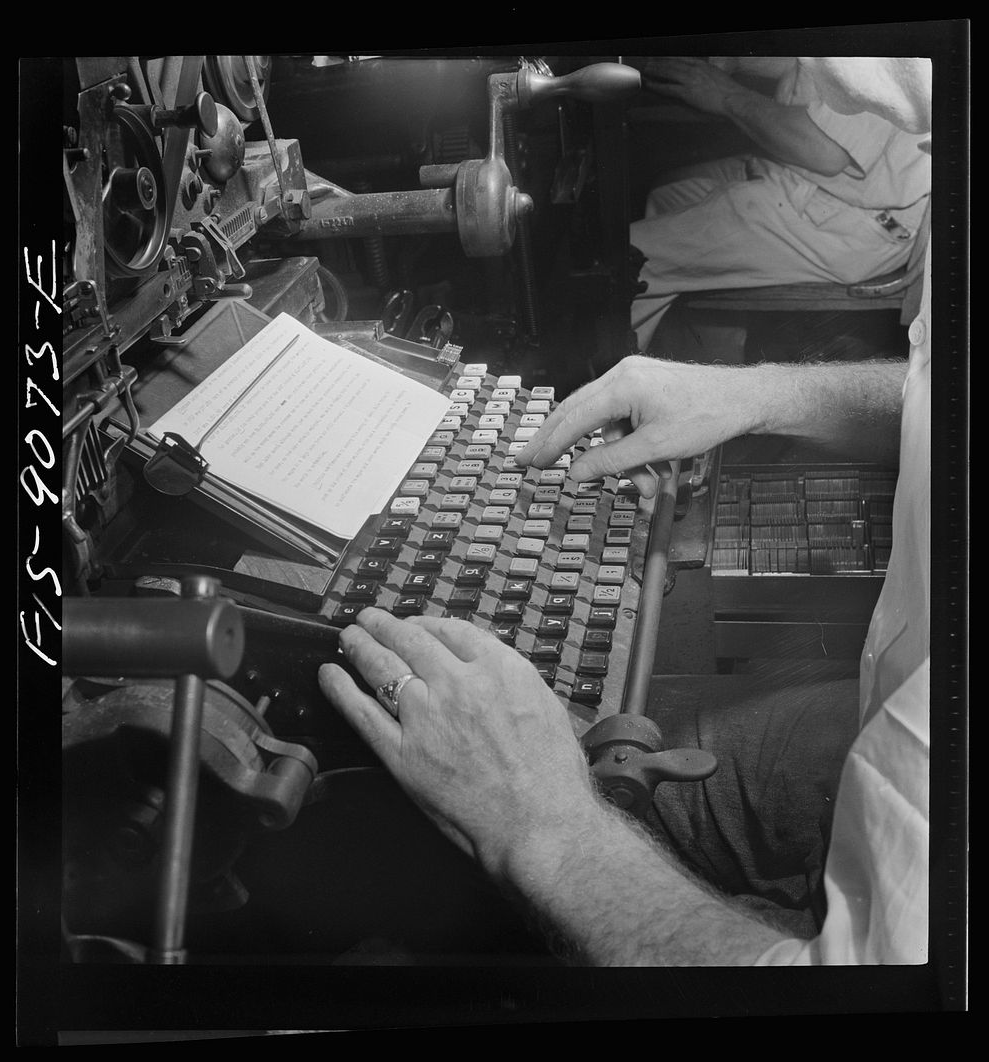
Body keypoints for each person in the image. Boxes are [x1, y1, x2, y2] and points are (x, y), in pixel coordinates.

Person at [317, 57, 931, 965]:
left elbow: (849, 979)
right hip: (886, 704)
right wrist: (757, 396)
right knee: (654, 750)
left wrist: (543, 830)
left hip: (922, 769)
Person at [628, 56, 931, 353]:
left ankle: (609, 390)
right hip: (823, 182)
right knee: (666, 196)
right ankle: (707, 365)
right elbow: (816, 65)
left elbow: (824, 151)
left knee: (634, 258)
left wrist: (726, 96)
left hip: (861, 218)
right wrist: (737, 61)